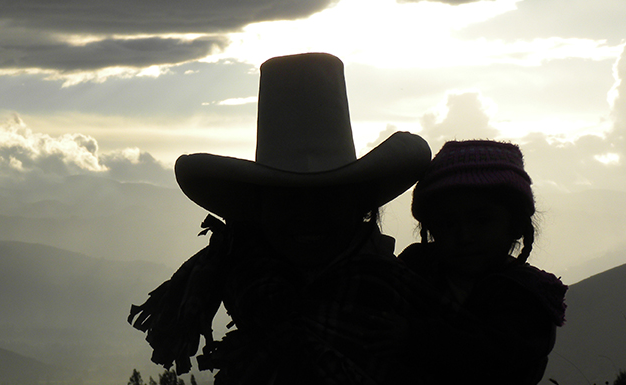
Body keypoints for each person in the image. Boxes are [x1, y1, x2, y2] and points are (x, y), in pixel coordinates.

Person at [128, 53, 434, 384]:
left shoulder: (414, 309)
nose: (307, 216)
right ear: (259, 209)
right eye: (287, 199)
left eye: (327, 198)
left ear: (359, 205)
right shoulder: (246, 283)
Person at [399, 140, 568, 384]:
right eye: (449, 224)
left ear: (516, 225)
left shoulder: (527, 295)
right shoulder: (413, 270)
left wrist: (415, 336)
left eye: (482, 221)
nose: (465, 236)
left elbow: (498, 358)